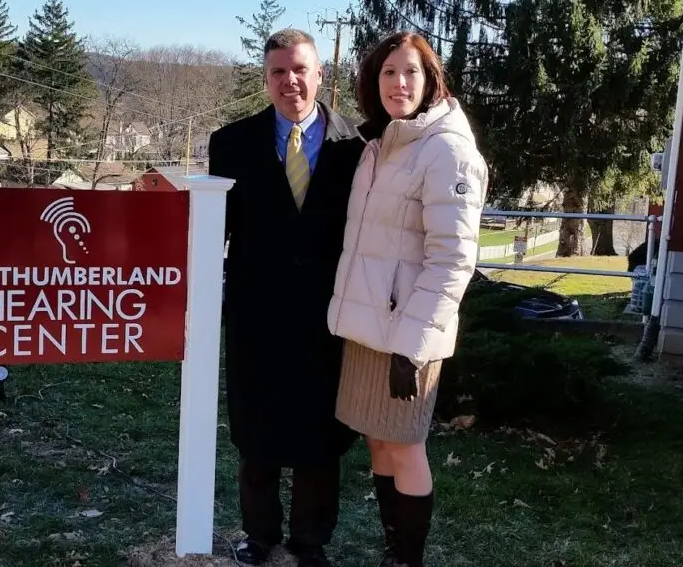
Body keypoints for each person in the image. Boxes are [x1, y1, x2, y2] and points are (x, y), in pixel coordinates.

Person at [207, 28, 375, 567]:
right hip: (257, 312)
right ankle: (258, 535)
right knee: (255, 431)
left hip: (330, 315)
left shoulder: (359, 145)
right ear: (265, 79)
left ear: (320, 74)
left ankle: (310, 542)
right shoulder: (229, 143)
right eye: (278, 72)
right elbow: (215, 233)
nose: (290, 81)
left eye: (300, 69)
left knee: (320, 435)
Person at [326, 31, 489, 567]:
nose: (399, 82)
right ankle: (392, 548)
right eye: (388, 72)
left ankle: (407, 560)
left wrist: (413, 345)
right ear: (375, 81)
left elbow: (452, 260)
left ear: (431, 79)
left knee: (405, 446)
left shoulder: (447, 151)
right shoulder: (384, 145)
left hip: (407, 335)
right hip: (367, 328)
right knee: (378, 441)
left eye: (411, 72)